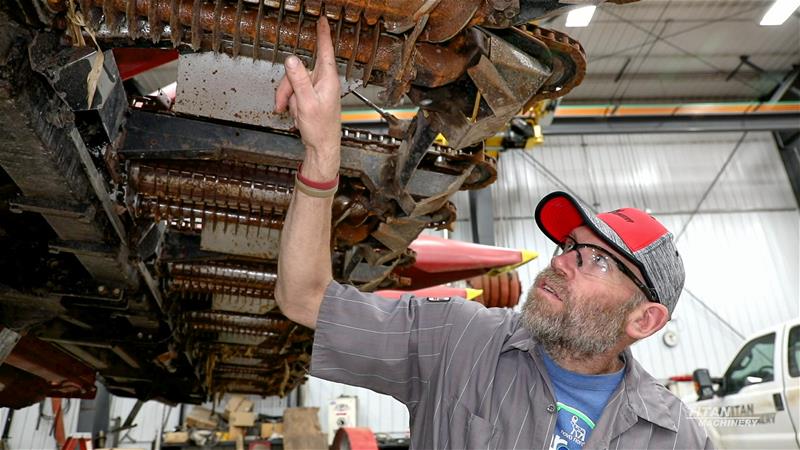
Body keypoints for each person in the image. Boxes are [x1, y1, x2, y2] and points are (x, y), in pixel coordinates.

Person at [273, 17, 712, 450]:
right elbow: (305, 297)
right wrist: (322, 155)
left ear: (644, 319)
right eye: (570, 246)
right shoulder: (456, 340)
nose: (560, 261)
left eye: (597, 260)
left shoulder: (675, 437)